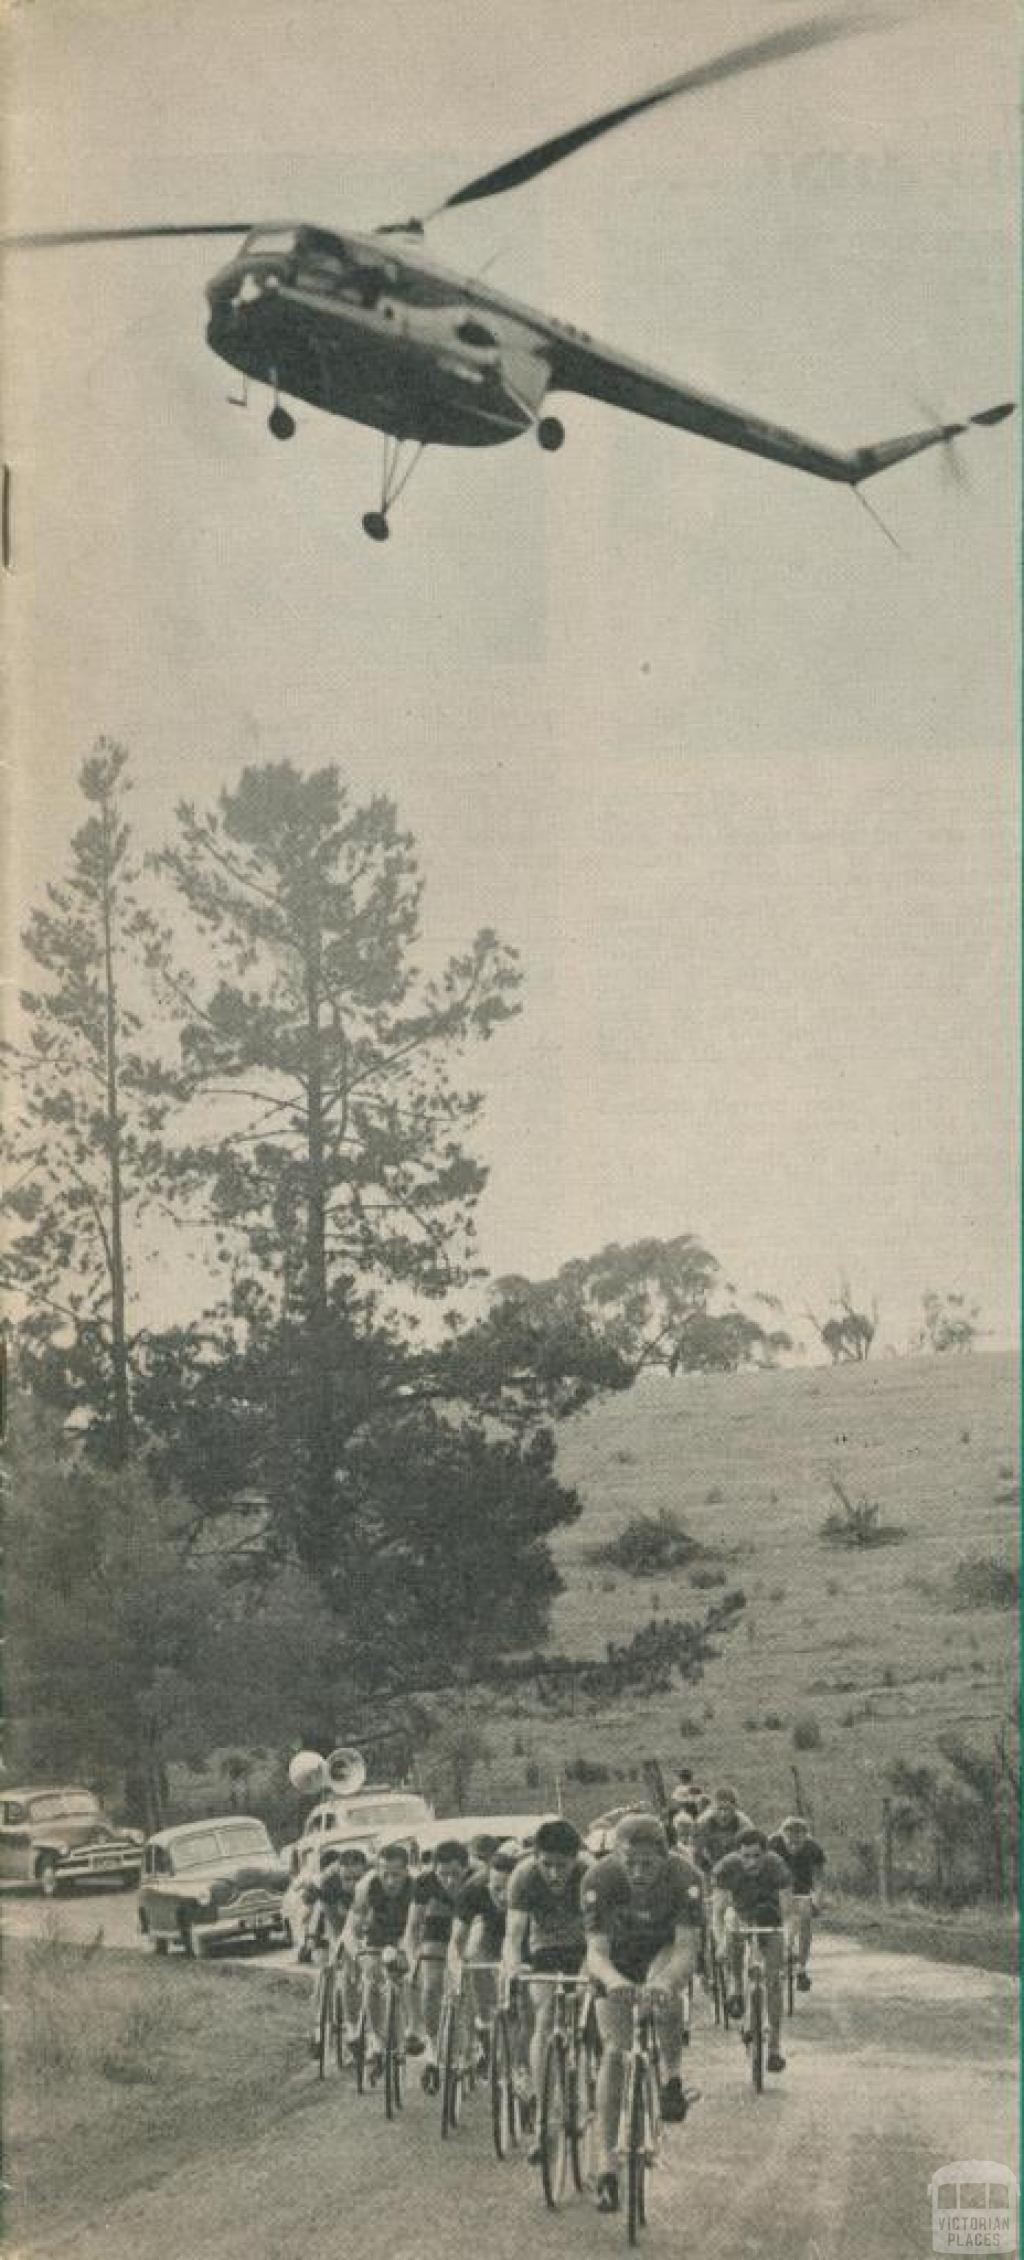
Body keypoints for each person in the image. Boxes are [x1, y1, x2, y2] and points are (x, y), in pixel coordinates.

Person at [584, 1812, 704, 2216]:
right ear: (615, 1855)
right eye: (629, 1862)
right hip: (616, 1955)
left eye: (647, 1864)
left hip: (663, 1948)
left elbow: (686, 1950)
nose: (637, 1873)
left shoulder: (685, 1877)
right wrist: (612, 1980)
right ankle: (606, 2162)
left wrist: (666, 1983)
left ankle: (672, 2075)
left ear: (664, 1858)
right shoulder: (599, 1878)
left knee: (662, 1992)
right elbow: (595, 1952)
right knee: (614, 2053)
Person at [502, 1817, 588, 2157]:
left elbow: (601, 1936)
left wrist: (588, 1976)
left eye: (561, 1866)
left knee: (590, 2015)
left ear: (575, 1860)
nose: (554, 1874)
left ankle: (584, 2085)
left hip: (586, 1946)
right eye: (546, 1864)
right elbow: (513, 1935)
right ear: (535, 1857)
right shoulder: (523, 1876)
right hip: (545, 1949)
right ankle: (543, 2116)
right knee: (545, 2015)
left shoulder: (588, 1874)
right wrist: (512, 1967)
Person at [711, 1826, 793, 2071]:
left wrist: (788, 1942)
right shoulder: (727, 1867)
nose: (752, 1862)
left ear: (766, 1854)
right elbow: (717, 1913)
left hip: (771, 1919)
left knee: (774, 1983)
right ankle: (736, 1987)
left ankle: (775, 2048)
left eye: (757, 1856)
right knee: (731, 1925)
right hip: (740, 1916)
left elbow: (788, 1913)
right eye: (746, 1856)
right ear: (738, 1854)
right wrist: (721, 1943)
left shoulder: (777, 1867)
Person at [344, 1839, 418, 2079]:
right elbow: (352, 1931)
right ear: (377, 1871)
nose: (391, 1881)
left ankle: (411, 2029)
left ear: (407, 1871)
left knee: (409, 1977)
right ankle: (376, 2042)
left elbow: (423, 1930)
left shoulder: (417, 1887)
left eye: (397, 1875)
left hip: (405, 1935)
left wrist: (410, 1953)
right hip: (375, 1934)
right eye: (385, 1874)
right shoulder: (366, 1887)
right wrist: (359, 1955)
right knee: (371, 1979)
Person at [404, 1837, 472, 2093]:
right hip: (437, 1929)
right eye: (443, 1875)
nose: (450, 1881)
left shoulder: (475, 1880)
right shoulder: (425, 1882)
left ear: (466, 1868)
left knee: (469, 1986)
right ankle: (433, 2049)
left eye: (455, 1874)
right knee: (430, 1987)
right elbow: (413, 1927)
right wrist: (413, 1959)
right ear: (434, 1871)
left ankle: (472, 2041)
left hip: (466, 1929)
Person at [447, 1839, 520, 2067]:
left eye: (508, 1890)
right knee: (476, 1961)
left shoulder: (526, 1887)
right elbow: (456, 1941)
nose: (503, 1897)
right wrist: (457, 1968)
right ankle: (483, 2022)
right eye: (497, 1890)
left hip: (519, 1934)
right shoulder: (473, 1890)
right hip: (489, 1933)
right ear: (487, 1883)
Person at [299, 1844, 369, 2056]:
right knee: (329, 1969)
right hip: (328, 1920)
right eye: (348, 1879)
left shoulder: (373, 1878)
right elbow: (335, 1928)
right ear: (339, 1872)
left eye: (358, 1879)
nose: (353, 1885)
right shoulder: (327, 1883)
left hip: (356, 1916)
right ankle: (318, 2029)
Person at [767, 1815, 825, 1989]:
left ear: (805, 1837)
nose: (793, 1846)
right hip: (776, 1888)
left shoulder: (813, 1848)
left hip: (801, 1890)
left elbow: (818, 1878)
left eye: (798, 1842)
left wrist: (818, 1899)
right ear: (782, 1836)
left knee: (805, 1919)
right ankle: (778, 1951)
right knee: (778, 1919)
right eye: (790, 1842)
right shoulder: (772, 1844)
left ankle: (801, 1967)